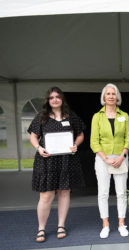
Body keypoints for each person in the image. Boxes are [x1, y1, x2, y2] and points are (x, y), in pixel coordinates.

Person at [28, 86, 85, 243]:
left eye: (57, 97)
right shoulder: (41, 117)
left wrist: (76, 144)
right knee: (46, 195)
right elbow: (33, 137)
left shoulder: (71, 116)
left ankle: (61, 225)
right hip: (46, 160)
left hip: (66, 160)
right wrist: (38, 148)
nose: (54, 99)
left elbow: (80, 135)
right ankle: (41, 228)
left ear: (62, 99)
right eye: (51, 97)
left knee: (64, 193)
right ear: (48, 100)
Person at [90, 83, 129, 239]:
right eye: (108, 94)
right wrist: (105, 158)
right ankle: (105, 225)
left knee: (121, 193)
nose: (111, 96)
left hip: (121, 158)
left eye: (113, 94)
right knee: (103, 193)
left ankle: (121, 224)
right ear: (103, 97)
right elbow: (94, 141)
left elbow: (128, 139)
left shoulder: (124, 115)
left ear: (117, 97)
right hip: (103, 159)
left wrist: (122, 156)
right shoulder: (97, 116)